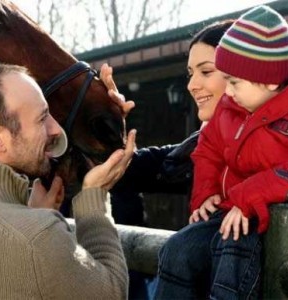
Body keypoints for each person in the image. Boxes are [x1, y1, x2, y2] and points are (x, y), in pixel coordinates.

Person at [154, 5, 288, 299]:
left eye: (234, 82)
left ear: (269, 79)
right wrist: (205, 193)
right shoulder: (230, 110)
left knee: (232, 255)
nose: (227, 92)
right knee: (178, 249)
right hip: (229, 212)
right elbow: (207, 153)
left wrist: (248, 196)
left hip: (266, 221)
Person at [99, 19, 233, 300]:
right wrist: (107, 119)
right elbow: (129, 171)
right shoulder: (200, 147)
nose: (192, 85)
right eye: (190, 73)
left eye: (206, 71)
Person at [0, 63, 136, 299]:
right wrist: (94, 199)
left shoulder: (29, 232)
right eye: (42, 118)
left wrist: (26, 213)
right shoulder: (37, 237)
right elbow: (111, 293)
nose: (56, 129)